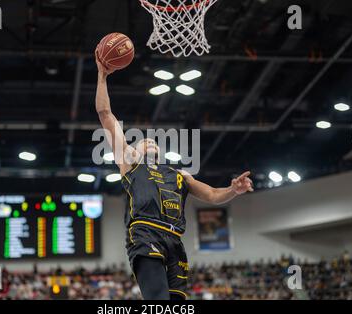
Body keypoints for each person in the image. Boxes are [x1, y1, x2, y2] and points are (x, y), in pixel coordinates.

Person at [94, 52, 254, 300]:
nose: (149, 141)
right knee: (158, 300)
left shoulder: (179, 175)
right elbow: (106, 115)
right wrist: (102, 76)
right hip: (145, 233)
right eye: (142, 141)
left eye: (152, 140)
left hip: (174, 241)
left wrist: (233, 189)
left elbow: (212, 195)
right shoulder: (130, 163)